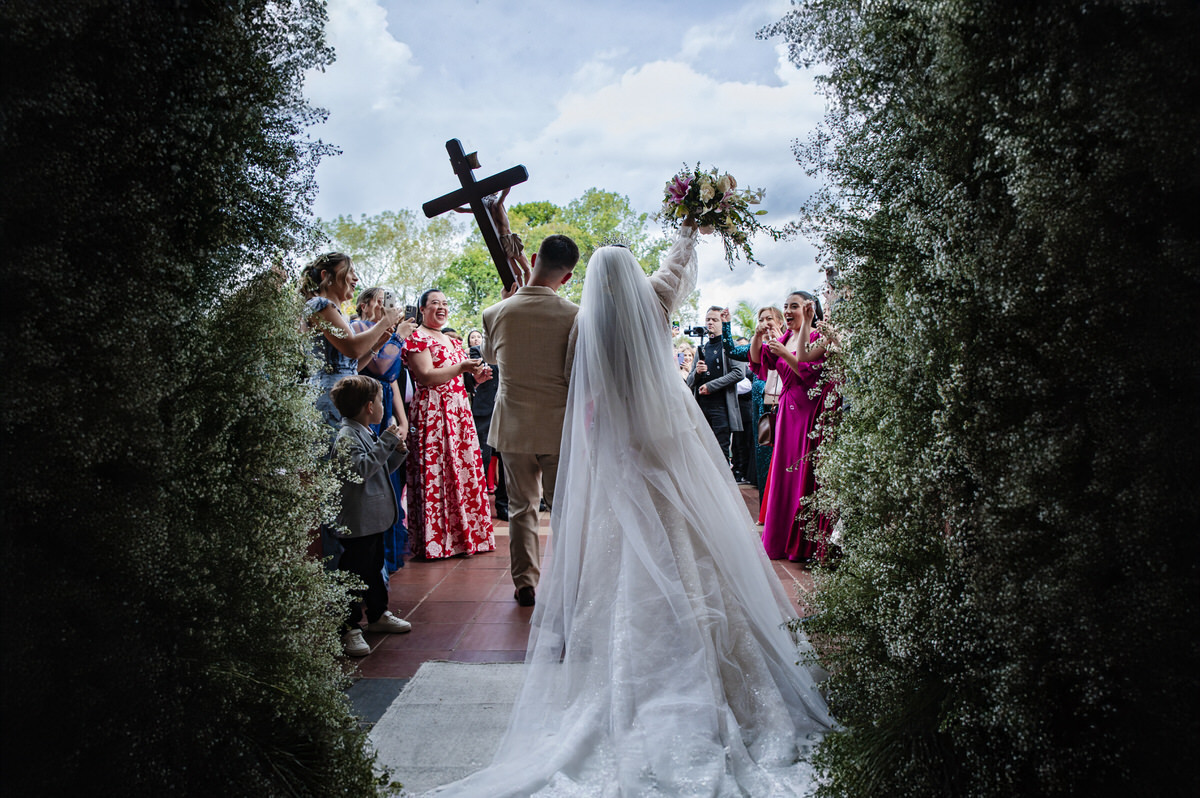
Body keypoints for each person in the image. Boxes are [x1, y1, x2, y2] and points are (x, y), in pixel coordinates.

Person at [426, 220, 834, 797]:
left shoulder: (583, 326)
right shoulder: (655, 303)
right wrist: (691, 224)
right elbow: (675, 267)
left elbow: (577, 385)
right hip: (668, 440)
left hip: (618, 446)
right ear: (635, 276)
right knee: (692, 534)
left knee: (611, 541)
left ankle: (619, 652)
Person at [481, 234, 581, 606]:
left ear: (535, 257)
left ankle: (525, 582)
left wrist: (505, 303)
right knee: (563, 509)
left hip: (513, 426)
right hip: (558, 427)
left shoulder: (495, 312)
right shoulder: (576, 315)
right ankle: (571, 581)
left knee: (521, 508)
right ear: (567, 277)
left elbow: (490, 358)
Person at [402, 289, 496, 559]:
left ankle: (467, 538)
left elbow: (457, 377)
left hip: (458, 411)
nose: (441, 307)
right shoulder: (417, 337)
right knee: (438, 473)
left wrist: (476, 378)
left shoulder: (451, 341)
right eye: (435, 303)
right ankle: (438, 542)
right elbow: (426, 376)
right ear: (422, 309)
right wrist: (462, 368)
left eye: (444, 303)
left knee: (463, 472)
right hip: (433, 411)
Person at [328, 375, 413, 657]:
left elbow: (378, 468)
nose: (382, 406)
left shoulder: (364, 431)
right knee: (354, 573)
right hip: (357, 523)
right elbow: (360, 471)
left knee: (374, 568)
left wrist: (396, 452)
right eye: (379, 401)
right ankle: (349, 626)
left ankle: (378, 614)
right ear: (369, 406)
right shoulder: (346, 436)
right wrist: (386, 441)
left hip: (372, 521)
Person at [751, 291, 834, 562]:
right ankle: (779, 540)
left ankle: (802, 545)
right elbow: (758, 362)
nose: (787, 310)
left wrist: (785, 354)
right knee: (784, 477)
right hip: (786, 411)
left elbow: (808, 373)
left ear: (808, 309)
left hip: (808, 411)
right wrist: (757, 337)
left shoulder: (816, 337)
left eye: (793, 306)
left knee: (802, 474)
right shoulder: (785, 336)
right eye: (785, 306)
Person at [300, 253, 404, 433]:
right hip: (329, 397)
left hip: (344, 396)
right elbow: (353, 348)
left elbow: (350, 367)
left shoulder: (338, 313)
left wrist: (377, 345)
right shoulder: (320, 305)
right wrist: (385, 322)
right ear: (326, 275)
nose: (356, 278)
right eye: (350, 271)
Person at [350, 286, 416, 573]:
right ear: (364, 305)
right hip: (366, 403)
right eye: (378, 302)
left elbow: (392, 379)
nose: (383, 307)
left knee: (391, 473)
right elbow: (379, 368)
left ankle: (389, 555)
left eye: (386, 302)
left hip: (386, 400)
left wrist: (403, 421)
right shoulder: (358, 328)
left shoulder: (387, 332)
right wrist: (397, 335)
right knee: (373, 469)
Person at [722, 306, 785, 499]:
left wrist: (781, 343)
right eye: (761, 319)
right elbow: (731, 350)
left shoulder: (789, 344)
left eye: (769, 319)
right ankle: (765, 507)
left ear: (780, 322)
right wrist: (726, 324)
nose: (765, 323)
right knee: (764, 462)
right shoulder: (758, 350)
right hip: (762, 418)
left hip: (784, 412)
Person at [686, 306, 745, 463]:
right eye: (708, 319)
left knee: (720, 452)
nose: (710, 322)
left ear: (722, 322)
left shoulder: (730, 345)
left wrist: (711, 386)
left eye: (714, 320)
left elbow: (739, 373)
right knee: (702, 452)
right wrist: (697, 373)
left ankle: (724, 480)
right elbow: (689, 381)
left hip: (721, 408)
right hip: (701, 408)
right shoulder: (702, 348)